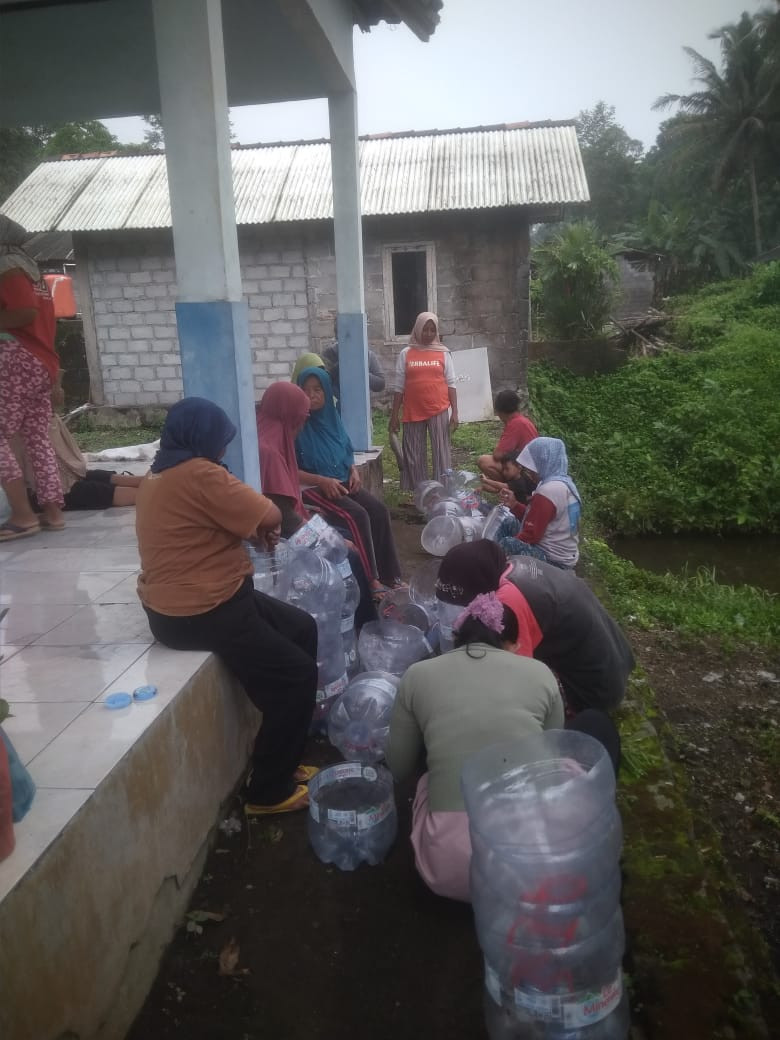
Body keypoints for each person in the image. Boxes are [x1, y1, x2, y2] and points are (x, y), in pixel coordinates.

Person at [135, 397, 319, 816]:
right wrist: (261, 525)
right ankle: (267, 793)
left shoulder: (160, 476)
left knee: (302, 627)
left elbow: (206, 526)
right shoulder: (201, 473)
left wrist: (253, 531)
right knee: (296, 676)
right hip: (202, 608)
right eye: (220, 440)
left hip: (186, 605)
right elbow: (272, 511)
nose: (222, 449)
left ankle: (283, 757)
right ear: (202, 439)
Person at [386, 591, 565, 901]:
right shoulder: (541, 674)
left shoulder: (417, 676)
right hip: (530, 867)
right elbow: (552, 761)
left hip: (446, 873)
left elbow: (398, 767)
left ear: (457, 637)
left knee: (429, 765)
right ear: (511, 644)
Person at [436, 540, 633, 714]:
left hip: (594, 690)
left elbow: (518, 676)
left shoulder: (509, 601)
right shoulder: (513, 564)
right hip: (615, 658)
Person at [254, 381, 377, 628]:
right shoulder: (268, 449)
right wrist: (330, 541)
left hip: (286, 526)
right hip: (276, 540)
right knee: (348, 554)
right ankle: (364, 626)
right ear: (288, 415)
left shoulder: (272, 436)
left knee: (344, 534)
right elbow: (284, 518)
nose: (301, 426)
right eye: (300, 419)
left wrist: (314, 521)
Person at [294, 366, 403, 598]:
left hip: (342, 479)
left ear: (326, 391)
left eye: (317, 389)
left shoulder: (333, 418)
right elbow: (291, 470)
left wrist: (353, 470)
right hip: (312, 487)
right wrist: (322, 480)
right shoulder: (297, 425)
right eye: (305, 390)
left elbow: (346, 449)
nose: (312, 395)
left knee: (379, 510)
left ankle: (390, 576)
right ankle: (371, 580)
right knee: (357, 515)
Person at [0, 215, 65, 540]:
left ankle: (23, 516)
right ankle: (52, 513)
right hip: (41, 362)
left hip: (15, 358)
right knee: (36, 436)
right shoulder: (31, 272)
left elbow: (24, 312)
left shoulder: (7, 268)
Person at [502, 554, 635, 713]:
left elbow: (516, 671)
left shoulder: (512, 597)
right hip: (616, 667)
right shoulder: (520, 564)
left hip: (593, 697)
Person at [15, 402, 142, 511]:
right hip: (52, 478)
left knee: (86, 484)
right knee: (88, 482)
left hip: (45, 486)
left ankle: (154, 490)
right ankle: (153, 487)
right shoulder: (32, 410)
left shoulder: (20, 412)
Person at [389, 312, 458, 490]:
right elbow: (399, 387)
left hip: (438, 409)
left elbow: (451, 383)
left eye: (432, 330)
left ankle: (442, 492)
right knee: (414, 456)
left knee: (441, 455)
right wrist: (394, 415)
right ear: (417, 329)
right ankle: (421, 493)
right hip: (413, 411)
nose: (428, 334)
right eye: (425, 329)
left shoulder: (443, 353)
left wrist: (455, 413)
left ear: (436, 332)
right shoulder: (406, 353)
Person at [496, 437, 581, 569]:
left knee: (508, 544)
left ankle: (493, 567)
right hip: (562, 554)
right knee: (510, 523)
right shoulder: (564, 483)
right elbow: (538, 519)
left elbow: (531, 535)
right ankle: (495, 558)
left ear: (544, 462)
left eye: (533, 466)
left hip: (553, 561)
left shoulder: (548, 491)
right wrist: (514, 504)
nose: (529, 472)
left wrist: (507, 548)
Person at [478, 389, 539, 490]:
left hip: (529, 474)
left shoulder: (515, 424)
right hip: (532, 470)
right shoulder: (523, 420)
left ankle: (512, 490)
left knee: (484, 461)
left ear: (500, 411)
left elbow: (497, 455)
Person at [321, 318, 386, 402]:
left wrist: (363, 373)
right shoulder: (329, 354)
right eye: (344, 335)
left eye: (352, 335)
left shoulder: (367, 355)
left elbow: (381, 384)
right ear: (337, 336)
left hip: (360, 407)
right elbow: (322, 382)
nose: (349, 339)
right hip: (334, 409)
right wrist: (342, 365)